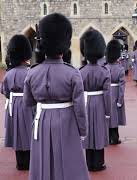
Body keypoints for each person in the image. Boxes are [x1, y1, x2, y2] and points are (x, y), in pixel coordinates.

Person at [24, 13, 90, 180]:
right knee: (69, 164)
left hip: (42, 120)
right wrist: (82, 130)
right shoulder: (72, 73)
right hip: (67, 121)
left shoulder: (32, 72)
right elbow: (79, 107)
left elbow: (28, 102)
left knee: (43, 163)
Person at [79, 29, 111, 171]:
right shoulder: (104, 71)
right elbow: (107, 94)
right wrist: (108, 111)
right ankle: (99, 163)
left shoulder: (80, 71)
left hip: (85, 102)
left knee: (87, 131)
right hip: (98, 103)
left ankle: (89, 162)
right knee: (98, 131)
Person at [1, 35, 34, 170]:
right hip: (28, 103)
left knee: (17, 132)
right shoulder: (30, 72)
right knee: (30, 132)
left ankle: (20, 162)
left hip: (13, 105)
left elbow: (5, 91)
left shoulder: (9, 73)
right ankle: (30, 162)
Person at [105, 40, 127, 145]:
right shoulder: (120, 69)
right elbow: (122, 86)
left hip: (107, 92)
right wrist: (120, 99)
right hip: (116, 92)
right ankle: (115, 138)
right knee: (116, 116)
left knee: (108, 115)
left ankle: (109, 137)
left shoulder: (104, 68)